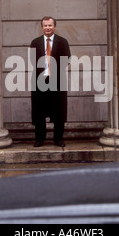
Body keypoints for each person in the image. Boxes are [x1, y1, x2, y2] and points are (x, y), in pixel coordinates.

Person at [30, 17, 71, 147]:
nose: (47, 28)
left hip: (57, 82)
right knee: (39, 112)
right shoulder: (35, 42)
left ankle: (58, 139)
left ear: (54, 27)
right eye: (45, 25)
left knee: (58, 112)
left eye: (50, 25)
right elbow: (32, 61)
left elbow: (67, 59)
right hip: (39, 81)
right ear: (42, 27)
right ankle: (39, 139)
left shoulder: (62, 42)